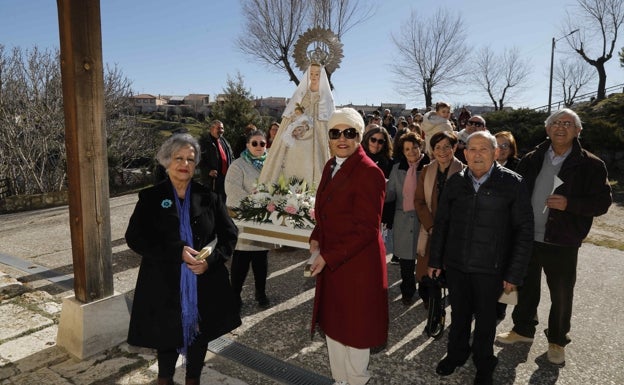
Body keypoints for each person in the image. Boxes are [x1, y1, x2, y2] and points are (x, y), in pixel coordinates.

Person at [496, 108, 612, 365]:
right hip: (528, 236)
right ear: (547, 129)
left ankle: (557, 340)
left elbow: (603, 202)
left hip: (562, 240)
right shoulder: (532, 157)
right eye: (556, 123)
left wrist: (569, 203)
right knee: (525, 288)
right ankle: (523, 330)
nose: (561, 127)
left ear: (578, 131)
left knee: (561, 294)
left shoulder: (591, 164)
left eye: (568, 124)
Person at [125, 134, 241, 385]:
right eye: (178, 158)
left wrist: (210, 261)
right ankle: (164, 379)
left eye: (190, 159)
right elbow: (135, 238)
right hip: (163, 281)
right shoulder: (150, 198)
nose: (185, 164)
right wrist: (175, 251)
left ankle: (193, 379)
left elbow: (229, 235)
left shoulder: (209, 197)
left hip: (204, 281)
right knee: (166, 334)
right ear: (166, 161)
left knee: (200, 334)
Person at [428, 131, 534, 385]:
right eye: (472, 149)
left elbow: (524, 232)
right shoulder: (455, 182)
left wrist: (513, 274)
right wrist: (435, 260)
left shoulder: (513, 183)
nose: (477, 154)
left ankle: (484, 363)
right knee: (460, 315)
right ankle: (456, 354)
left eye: (484, 149)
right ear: (464, 154)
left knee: (487, 320)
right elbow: (442, 224)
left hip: (492, 268)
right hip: (457, 265)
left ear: (496, 153)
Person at [308, 108, 388, 385]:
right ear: (328, 137)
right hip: (333, 261)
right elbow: (325, 212)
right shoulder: (331, 166)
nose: (342, 138)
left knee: (354, 333)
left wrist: (327, 256)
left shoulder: (370, 172)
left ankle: (356, 380)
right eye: (335, 133)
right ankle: (340, 380)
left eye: (350, 133)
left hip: (357, 267)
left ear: (360, 136)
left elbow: (367, 229)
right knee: (334, 327)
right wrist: (316, 237)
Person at [258, 63, 334, 187]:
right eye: (311, 74)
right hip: (297, 139)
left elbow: (327, 121)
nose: (314, 77)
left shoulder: (325, 98)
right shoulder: (302, 95)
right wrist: (298, 117)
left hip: (317, 141)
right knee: (292, 165)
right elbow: (292, 114)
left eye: (317, 74)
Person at [414, 131, 463, 305]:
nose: (442, 151)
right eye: (438, 147)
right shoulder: (427, 170)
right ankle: (431, 304)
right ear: (432, 150)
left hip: (454, 232)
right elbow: (419, 201)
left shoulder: (464, 171)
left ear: (455, 147)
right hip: (430, 231)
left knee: (450, 273)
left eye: (447, 146)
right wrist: (431, 226)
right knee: (427, 273)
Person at [225, 130, 273, 309]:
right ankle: (235, 295)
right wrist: (255, 202)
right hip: (244, 219)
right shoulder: (238, 165)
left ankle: (261, 293)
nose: (259, 147)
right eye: (255, 143)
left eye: (262, 143)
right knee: (241, 260)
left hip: (263, 218)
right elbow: (232, 190)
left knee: (261, 259)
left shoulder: (270, 164)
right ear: (247, 145)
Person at [386, 132, 427, 304]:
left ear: (420, 147)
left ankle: (426, 294)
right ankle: (408, 292)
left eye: (414, 147)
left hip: (423, 220)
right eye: (407, 149)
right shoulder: (397, 168)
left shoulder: (429, 167)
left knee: (424, 261)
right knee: (406, 263)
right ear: (402, 151)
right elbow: (390, 193)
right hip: (402, 219)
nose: (411, 152)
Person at [362, 127, 395, 267]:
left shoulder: (389, 162)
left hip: (379, 212)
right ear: (367, 138)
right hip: (359, 209)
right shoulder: (356, 157)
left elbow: (393, 191)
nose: (376, 144)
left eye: (380, 141)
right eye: (373, 139)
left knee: (374, 252)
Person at [199, 120, 234, 202]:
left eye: (222, 128)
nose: (221, 130)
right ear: (212, 128)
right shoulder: (204, 142)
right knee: (212, 202)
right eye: (219, 128)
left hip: (225, 178)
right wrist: (208, 171)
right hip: (212, 180)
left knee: (223, 202)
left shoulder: (224, 141)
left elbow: (231, 156)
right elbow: (198, 159)